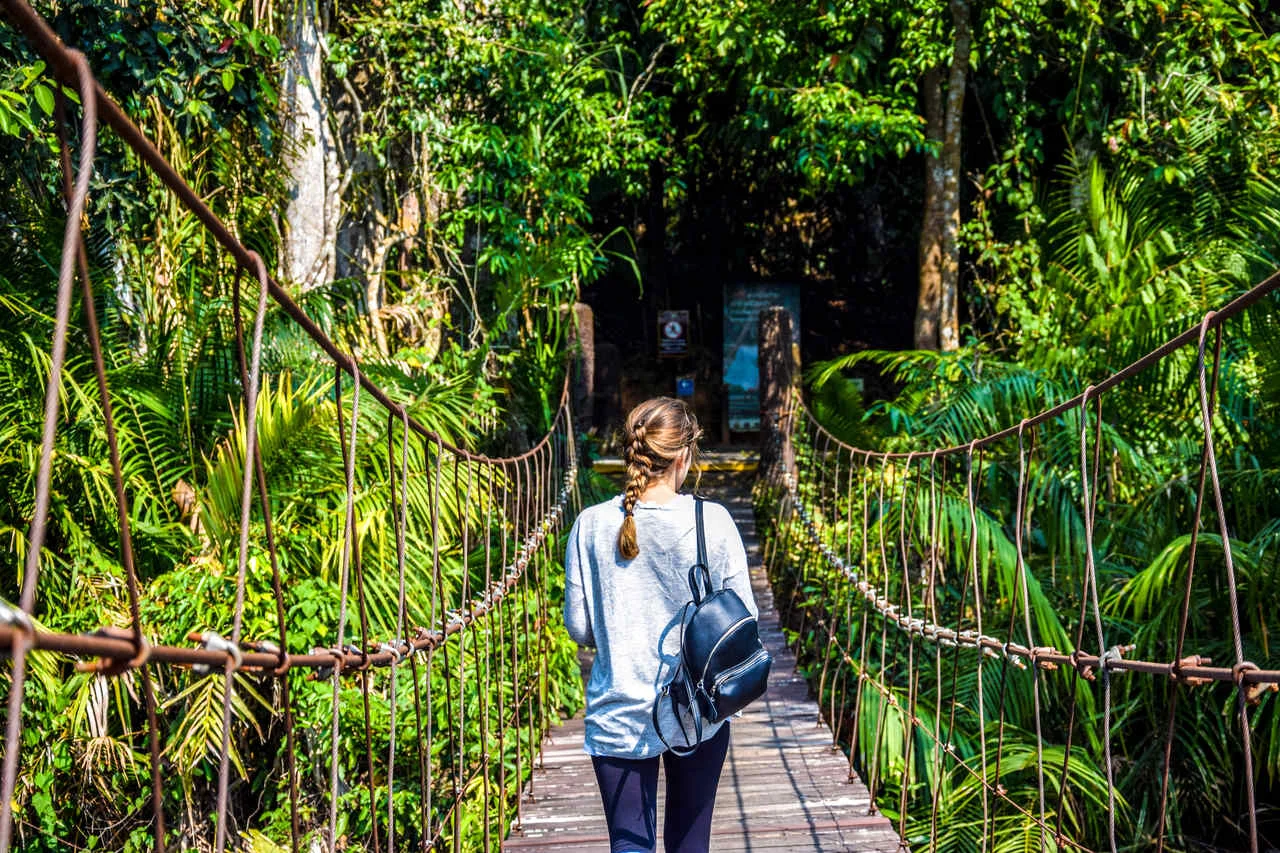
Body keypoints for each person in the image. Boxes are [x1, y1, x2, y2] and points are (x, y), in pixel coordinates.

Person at [563, 397, 757, 853]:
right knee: (691, 844)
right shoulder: (714, 521)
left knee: (629, 845)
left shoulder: (589, 525)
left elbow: (579, 629)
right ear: (685, 456)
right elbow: (744, 621)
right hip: (699, 711)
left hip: (618, 714)